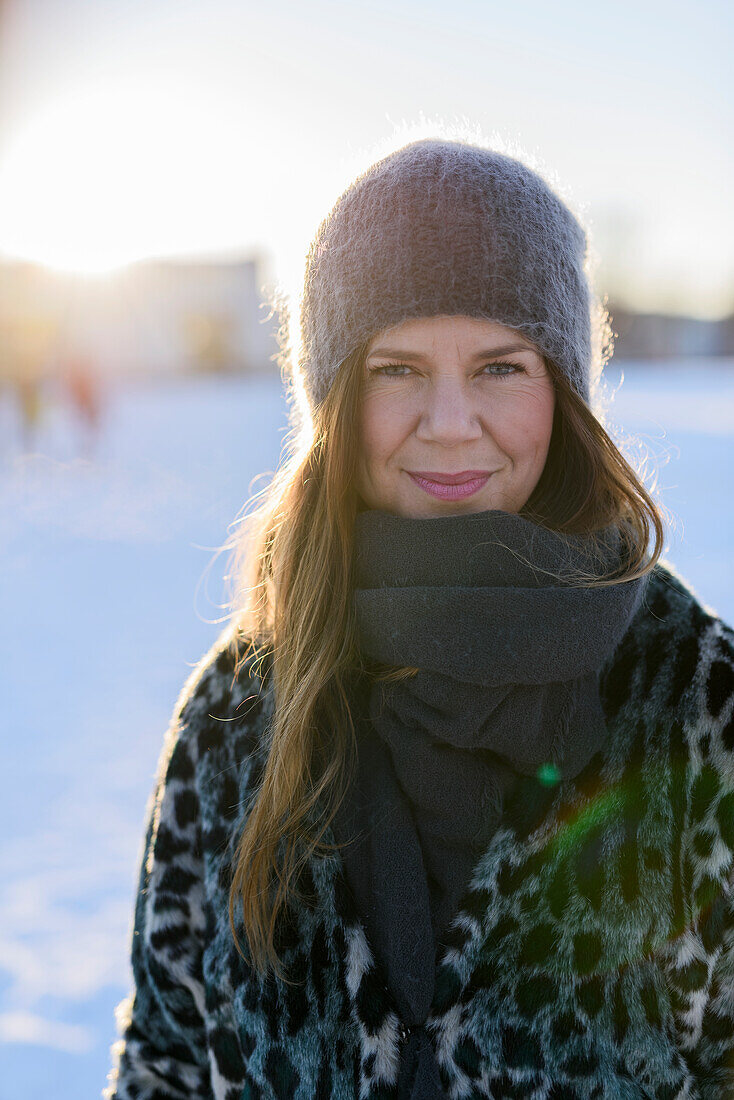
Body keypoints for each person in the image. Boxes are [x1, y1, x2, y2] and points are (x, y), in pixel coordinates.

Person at [104, 137, 734, 1100]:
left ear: (562, 393)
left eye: (500, 367)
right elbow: (166, 1070)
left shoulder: (701, 707)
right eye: (396, 369)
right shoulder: (237, 719)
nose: (448, 421)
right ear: (332, 400)